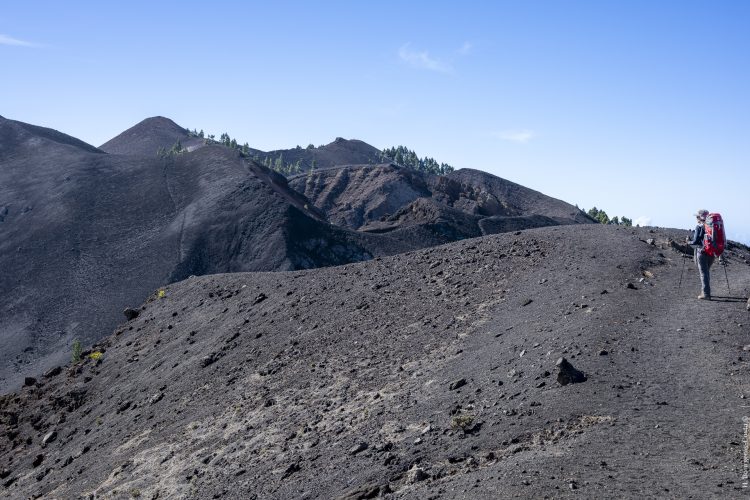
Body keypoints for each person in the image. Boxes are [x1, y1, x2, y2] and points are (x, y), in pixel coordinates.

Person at [686, 209, 714, 300]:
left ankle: (706, 294)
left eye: (697, 216)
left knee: (703, 273)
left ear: (700, 217)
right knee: (706, 272)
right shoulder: (712, 226)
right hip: (712, 252)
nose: (696, 218)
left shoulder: (699, 226)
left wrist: (688, 242)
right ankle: (705, 291)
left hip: (702, 253)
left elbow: (695, 241)